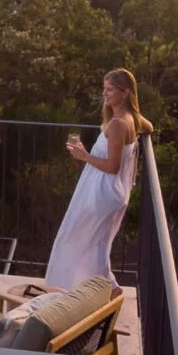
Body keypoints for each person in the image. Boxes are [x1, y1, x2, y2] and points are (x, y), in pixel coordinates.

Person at [45, 69, 153, 296]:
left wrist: (84, 156)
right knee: (94, 243)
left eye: (110, 89)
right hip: (110, 193)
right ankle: (96, 289)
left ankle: (110, 291)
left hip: (103, 192)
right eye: (104, 89)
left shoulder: (117, 125)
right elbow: (149, 127)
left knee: (89, 243)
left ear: (124, 93)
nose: (104, 94)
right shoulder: (132, 119)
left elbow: (113, 167)